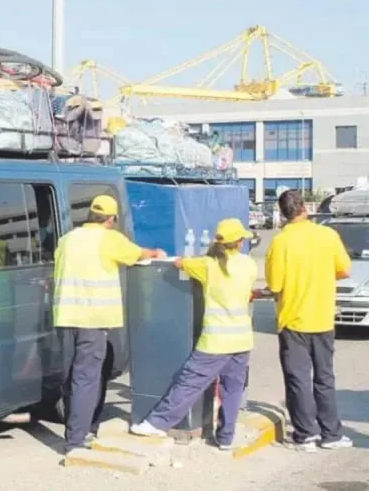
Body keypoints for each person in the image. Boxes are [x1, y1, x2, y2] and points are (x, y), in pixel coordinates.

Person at [129, 218, 258, 450]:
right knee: (233, 388)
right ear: (238, 242)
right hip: (242, 339)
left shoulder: (207, 265)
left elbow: (180, 263)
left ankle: (157, 423)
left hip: (216, 341)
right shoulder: (249, 265)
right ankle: (226, 437)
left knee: (189, 382)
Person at [54, 195, 166, 455]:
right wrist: (156, 253)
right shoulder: (109, 239)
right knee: (86, 378)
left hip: (65, 317)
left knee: (71, 377)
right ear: (111, 219)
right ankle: (77, 439)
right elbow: (137, 254)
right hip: (91, 319)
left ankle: (77, 430)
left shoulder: (67, 239)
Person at [265, 189, 353, 452]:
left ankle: (306, 434)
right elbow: (344, 270)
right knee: (325, 378)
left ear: (282, 214)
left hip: (293, 320)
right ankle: (332, 434)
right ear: (304, 208)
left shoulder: (281, 242)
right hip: (323, 318)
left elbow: (274, 284)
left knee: (298, 379)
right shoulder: (327, 235)